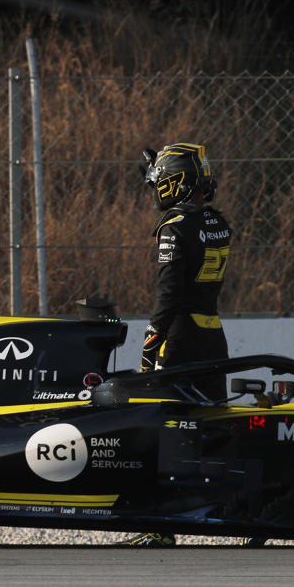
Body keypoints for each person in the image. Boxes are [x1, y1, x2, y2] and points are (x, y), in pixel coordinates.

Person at [120, 142, 232, 548]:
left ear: (175, 183)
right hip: (213, 335)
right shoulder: (219, 223)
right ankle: (240, 518)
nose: (154, 192)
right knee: (215, 430)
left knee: (163, 432)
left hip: (180, 339)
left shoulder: (174, 228)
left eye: (158, 184)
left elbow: (168, 296)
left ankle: (159, 525)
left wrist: (150, 345)